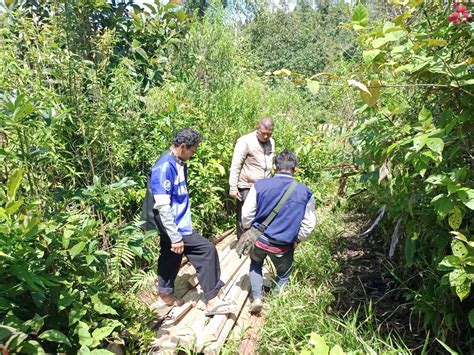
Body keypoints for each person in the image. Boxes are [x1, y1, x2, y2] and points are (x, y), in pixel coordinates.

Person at [145, 128, 238, 316]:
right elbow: (162, 205)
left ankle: (165, 295)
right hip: (174, 225)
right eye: (192, 151)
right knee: (206, 250)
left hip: (178, 223)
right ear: (182, 147)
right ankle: (212, 300)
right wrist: (175, 236)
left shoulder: (179, 162)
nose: (193, 154)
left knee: (171, 255)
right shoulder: (164, 167)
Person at [241, 150, 317, 313]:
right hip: (283, 246)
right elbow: (309, 225)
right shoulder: (305, 192)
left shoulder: (259, 185)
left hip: (259, 240)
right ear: (294, 168)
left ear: (275, 166)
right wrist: (297, 240)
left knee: (255, 263)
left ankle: (257, 297)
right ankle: (274, 304)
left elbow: (246, 215)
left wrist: (250, 229)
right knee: (283, 274)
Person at [229, 117, 275, 238]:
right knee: (244, 215)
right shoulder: (245, 141)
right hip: (247, 186)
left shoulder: (272, 142)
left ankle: (257, 241)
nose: (266, 137)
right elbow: (236, 164)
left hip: (265, 186)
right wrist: (233, 186)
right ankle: (242, 242)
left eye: (269, 134)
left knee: (261, 214)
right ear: (257, 129)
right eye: (264, 133)